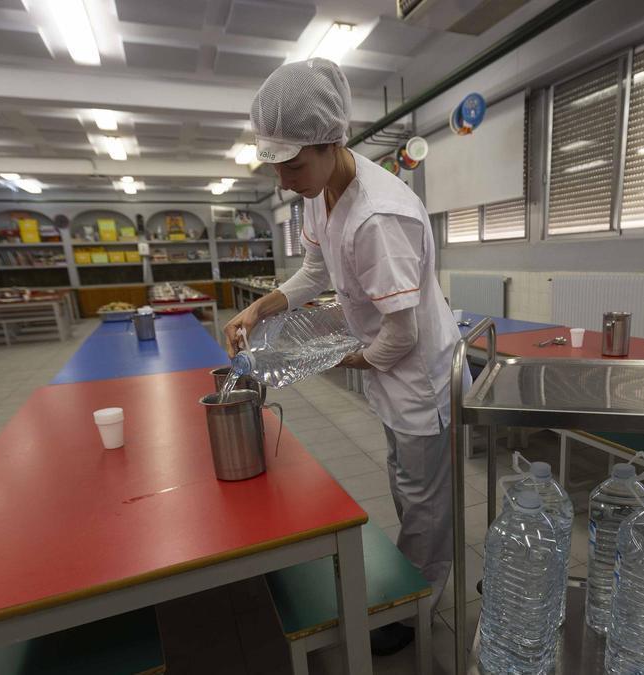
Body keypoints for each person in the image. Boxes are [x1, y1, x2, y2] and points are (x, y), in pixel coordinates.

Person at [223, 58, 466, 655]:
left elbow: (400, 338)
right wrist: (262, 309)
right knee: (407, 485)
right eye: (275, 165)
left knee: (425, 502)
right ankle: (414, 588)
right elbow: (314, 271)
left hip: (418, 382)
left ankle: (417, 611)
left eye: (293, 164)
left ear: (332, 142)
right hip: (390, 370)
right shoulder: (319, 192)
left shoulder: (380, 217)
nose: (283, 180)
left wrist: (337, 357)